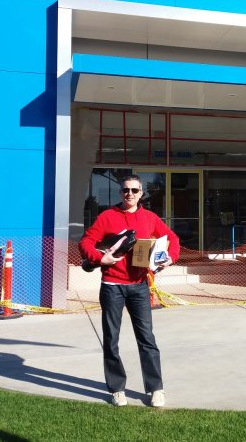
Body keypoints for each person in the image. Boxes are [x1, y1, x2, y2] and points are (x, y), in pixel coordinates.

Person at [79, 175, 179, 408]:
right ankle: (117, 389)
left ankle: (155, 388)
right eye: (125, 190)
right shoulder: (107, 217)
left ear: (141, 193)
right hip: (112, 286)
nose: (130, 194)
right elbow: (85, 242)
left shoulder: (150, 218)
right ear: (120, 192)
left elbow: (172, 238)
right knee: (111, 339)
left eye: (134, 190)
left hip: (139, 287)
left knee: (147, 339)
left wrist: (169, 259)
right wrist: (100, 257)